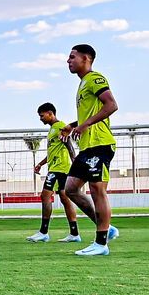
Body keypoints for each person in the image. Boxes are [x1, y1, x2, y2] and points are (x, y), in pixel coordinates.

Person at [63, 44, 119, 257]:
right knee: (71, 189)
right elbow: (92, 112)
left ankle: (101, 243)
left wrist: (85, 125)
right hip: (87, 146)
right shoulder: (83, 83)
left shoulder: (95, 79)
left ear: (86, 58)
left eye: (72, 57)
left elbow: (111, 105)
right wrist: (74, 124)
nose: (68, 61)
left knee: (97, 189)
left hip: (100, 144)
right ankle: (107, 227)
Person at [28, 102, 86, 243]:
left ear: (50, 113)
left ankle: (43, 232)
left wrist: (75, 163)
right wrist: (41, 164)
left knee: (45, 196)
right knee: (65, 199)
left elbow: (69, 145)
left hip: (60, 168)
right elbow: (54, 151)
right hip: (56, 167)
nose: (40, 118)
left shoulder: (60, 126)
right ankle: (74, 233)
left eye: (42, 116)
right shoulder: (53, 129)